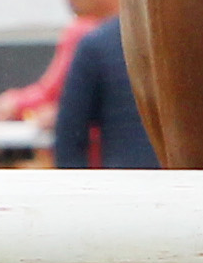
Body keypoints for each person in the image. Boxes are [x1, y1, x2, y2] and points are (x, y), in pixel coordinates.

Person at [52, 13, 159, 170]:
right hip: (193, 184)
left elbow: (69, 137)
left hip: (125, 180)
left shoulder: (98, 44)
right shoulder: (97, 45)